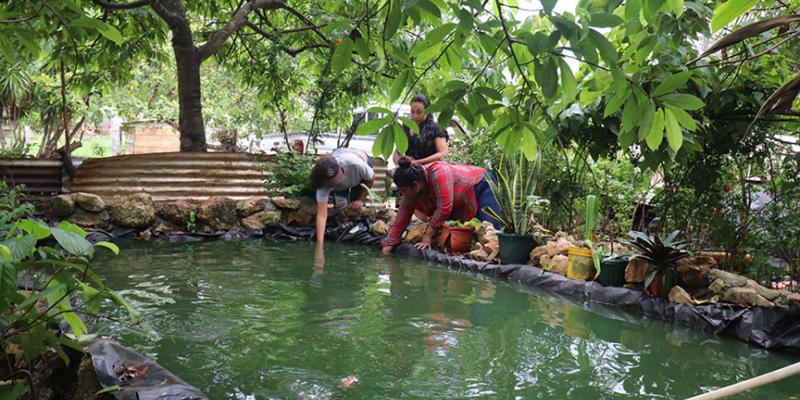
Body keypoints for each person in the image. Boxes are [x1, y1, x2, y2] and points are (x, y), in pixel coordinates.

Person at [380, 157, 501, 255]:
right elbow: (400, 220)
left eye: (403, 191)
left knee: (490, 231)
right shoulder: (410, 193)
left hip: (481, 184)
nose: (402, 195)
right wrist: (387, 249)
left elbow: (444, 208)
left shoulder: (438, 173)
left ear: (416, 186)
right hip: (461, 196)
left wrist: (427, 236)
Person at [310, 148, 374, 243]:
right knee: (341, 208)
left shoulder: (355, 164)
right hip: (346, 170)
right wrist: (320, 244)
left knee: (356, 206)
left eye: (337, 180)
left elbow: (371, 178)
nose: (338, 184)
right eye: (333, 183)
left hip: (361, 160)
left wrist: (361, 200)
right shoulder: (322, 185)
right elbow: (322, 215)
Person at [392, 94, 449, 167]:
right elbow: (397, 152)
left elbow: (443, 153)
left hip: (428, 171)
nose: (415, 116)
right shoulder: (406, 126)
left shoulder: (436, 129)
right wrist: (398, 165)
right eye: (412, 112)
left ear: (427, 111)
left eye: (419, 112)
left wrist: (417, 162)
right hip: (408, 172)